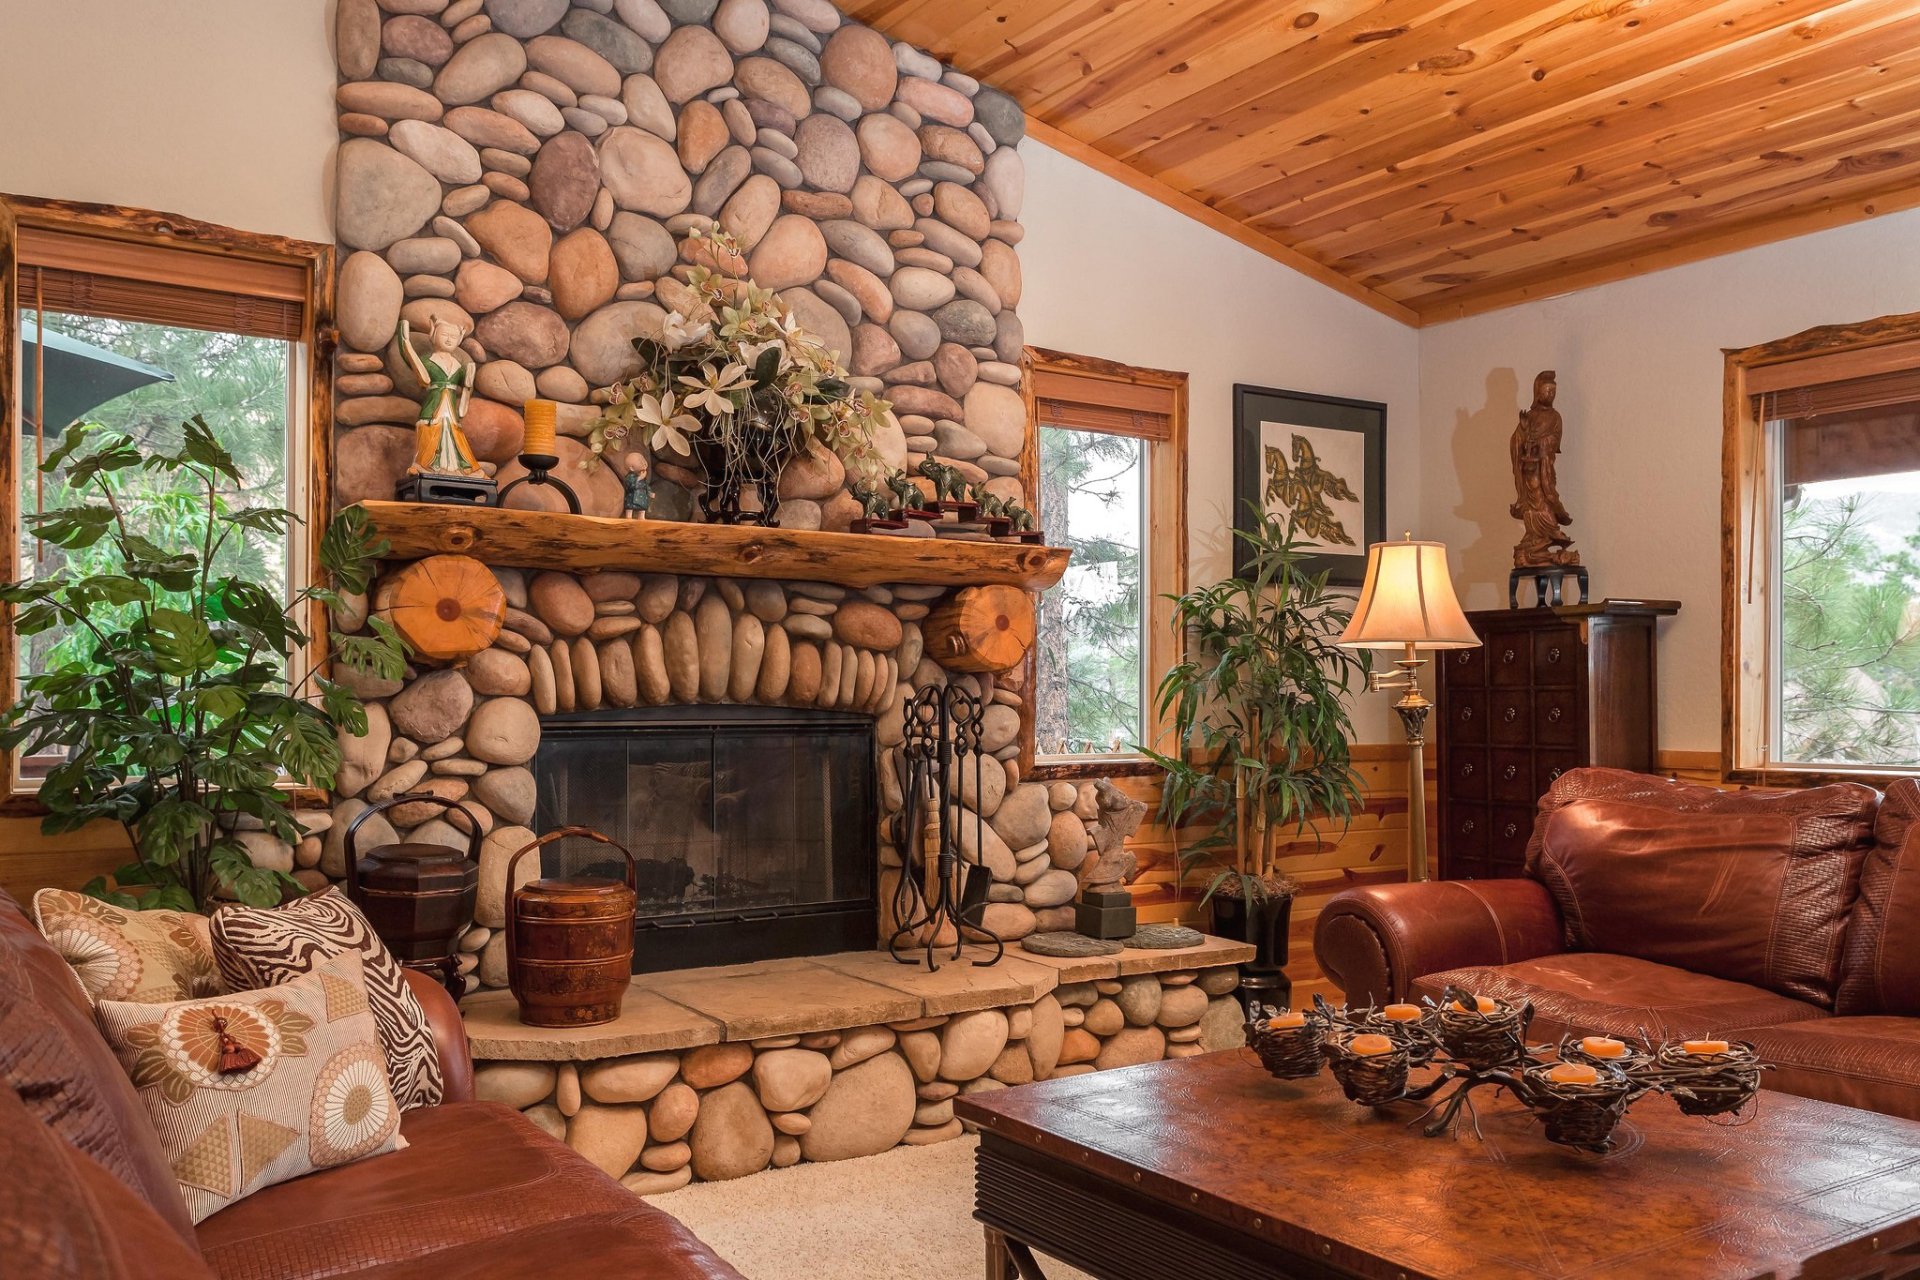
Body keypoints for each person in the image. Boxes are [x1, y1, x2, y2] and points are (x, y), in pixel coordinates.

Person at [396, 317, 483, 478]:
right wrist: (405, 341)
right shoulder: (428, 361)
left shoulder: (458, 364)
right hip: (434, 402)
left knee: (454, 433)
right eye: (444, 335)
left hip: (450, 405)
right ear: (434, 335)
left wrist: (468, 380)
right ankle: (425, 464)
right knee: (430, 429)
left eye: (453, 336)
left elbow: (467, 386)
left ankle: (459, 467)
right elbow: (415, 365)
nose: (449, 339)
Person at [1509, 370, 1579, 567]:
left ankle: (1549, 534)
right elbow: (1516, 442)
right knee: (1532, 505)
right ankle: (1533, 539)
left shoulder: (1555, 417)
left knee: (1546, 500)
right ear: (1537, 392)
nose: (1550, 395)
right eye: (1547, 391)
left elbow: (1554, 441)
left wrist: (1541, 445)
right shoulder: (1529, 416)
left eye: (1553, 392)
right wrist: (1523, 429)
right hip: (1530, 471)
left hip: (1544, 466)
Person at [621, 451, 652, 520]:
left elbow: (645, 485)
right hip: (632, 496)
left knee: (642, 508)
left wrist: (649, 492)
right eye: (641, 462)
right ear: (632, 468)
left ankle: (641, 517)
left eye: (643, 459)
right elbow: (629, 485)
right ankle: (628, 517)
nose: (644, 463)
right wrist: (639, 478)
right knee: (630, 507)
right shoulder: (630, 476)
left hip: (642, 496)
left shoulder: (642, 475)